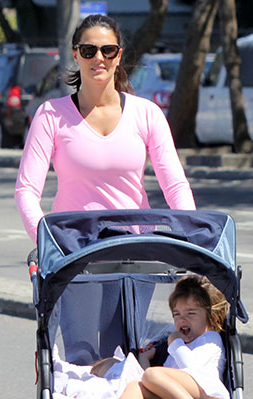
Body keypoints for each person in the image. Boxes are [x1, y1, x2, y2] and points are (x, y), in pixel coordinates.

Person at [14, 14, 196, 243]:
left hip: (135, 249)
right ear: (76, 55)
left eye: (107, 50)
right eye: (88, 50)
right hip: (74, 252)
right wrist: (49, 242)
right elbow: (26, 191)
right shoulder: (50, 115)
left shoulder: (147, 114)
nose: (98, 58)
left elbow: (175, 186)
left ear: (118, 56)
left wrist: (192, 240)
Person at [77, 275, 230, 399]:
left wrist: (174, 341)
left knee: (152, 375)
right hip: (179, 395)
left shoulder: (210, 338)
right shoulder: (176, 347)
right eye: (176, 315)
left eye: (191, 313)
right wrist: (145, 359)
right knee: (137, 385)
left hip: (206, 392)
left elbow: (191, 367)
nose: (182, 320)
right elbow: (151, 379)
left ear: (212, 317)